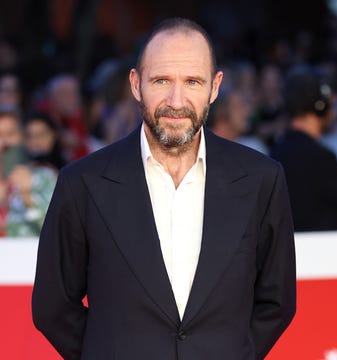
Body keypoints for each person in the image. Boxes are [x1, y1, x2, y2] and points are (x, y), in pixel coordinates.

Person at [32, 18, 296, 360]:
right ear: (136, 84)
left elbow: (278, 301)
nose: (176, 100)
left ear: (215, 87)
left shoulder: (262, 179)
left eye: (192, 82)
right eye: (161, 80)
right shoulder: (82, 183)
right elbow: (52, 307)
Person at [271, 67, 337, 231]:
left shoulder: (275, 152)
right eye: (331, 102)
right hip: (323, 253)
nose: (334, 109)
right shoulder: (319, 158)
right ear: (320, 105)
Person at [0, 109, 57, 237]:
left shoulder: (44, 176)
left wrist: (27, 196)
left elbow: (56, 227)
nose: (3, 142)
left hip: (25, 255)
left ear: (22, 138)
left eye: (9, 134)